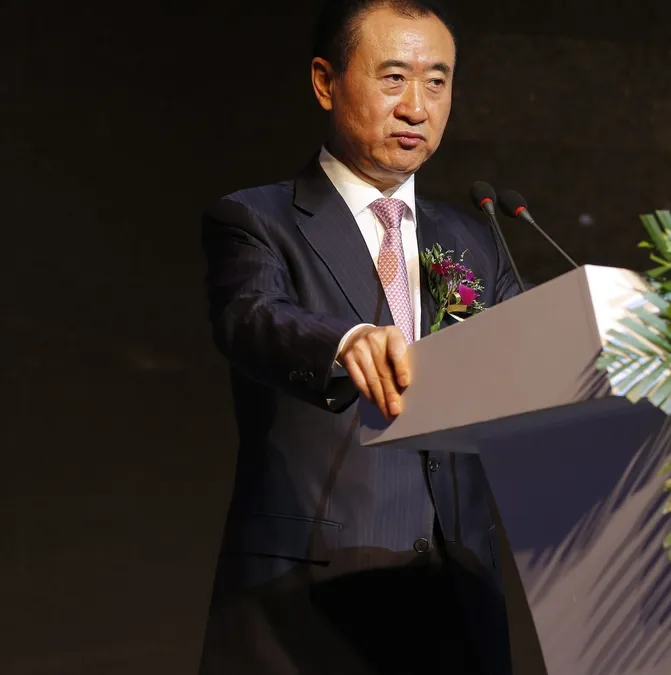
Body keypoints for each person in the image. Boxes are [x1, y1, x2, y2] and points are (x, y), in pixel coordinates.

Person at [197, 1, 518, 673]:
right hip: (308, 605)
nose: (417, 107)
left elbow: (530, 350)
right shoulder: (258, 218)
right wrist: (344, 341)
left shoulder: (474, 236)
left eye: (437, 82)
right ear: (325, 82)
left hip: (458, 604)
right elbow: (250, 316)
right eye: (394, 78)